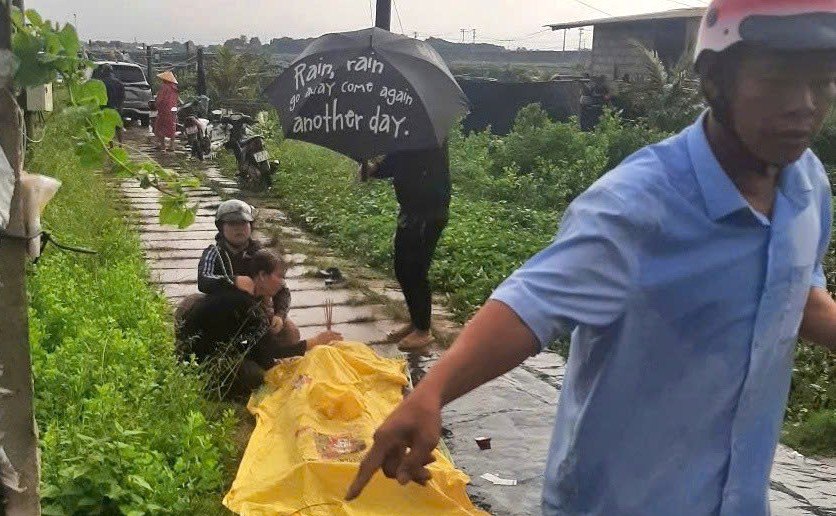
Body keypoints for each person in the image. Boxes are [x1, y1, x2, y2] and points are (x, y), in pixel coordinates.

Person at [346, 2, 836, 514]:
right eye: (778, 80)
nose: (805, 105)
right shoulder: (639, 204)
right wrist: (433, 392)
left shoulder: (807, 186)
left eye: (823, 82)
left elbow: (800, 296)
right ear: (717, 80)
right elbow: (530, 303)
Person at [178, 248, 342, 400]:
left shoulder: (246, 296)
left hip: (203, 350)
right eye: (279, 276)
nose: (282, 283)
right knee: (261, 378)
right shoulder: (246, 305)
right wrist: (314, 342)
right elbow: (271, 351)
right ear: (262, 275)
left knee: (267, 361)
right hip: (200, 362)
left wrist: (279, 317)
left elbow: (259, 347)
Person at [360, 144, 450, 351]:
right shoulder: (406, 135)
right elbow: (397, 162)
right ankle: (416, 321)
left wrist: (379, 165)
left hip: (428, 213)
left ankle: (423, 331)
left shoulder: (428, 138)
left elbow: (408, 162)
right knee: (402, 269)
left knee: (415, 271)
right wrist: (372, 167)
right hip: (410, 212)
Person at [196, 199, 302, 348]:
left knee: (291, 333)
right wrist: (234, 281)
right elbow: (204, 280)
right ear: (221, 227)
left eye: (243, 223)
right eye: (232, 224)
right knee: (191, 305)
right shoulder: (214, 253)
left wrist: (280, 314)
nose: (239, 229)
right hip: (223, 311)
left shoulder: (261, 254)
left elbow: (282, 288)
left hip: (257, 311)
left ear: (250, 226)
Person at [97, 64, 125, 145]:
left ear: (103, 71)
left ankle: (111, 145)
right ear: (111, 71)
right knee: (118, 127)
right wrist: (120, 106)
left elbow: (99, 96)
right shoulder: (118, 82)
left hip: (105, 107)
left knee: (107, 127)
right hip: (117, 108)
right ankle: (121, 145)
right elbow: (122, 96)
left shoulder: (101, 83)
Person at [153, 70, 179, 152]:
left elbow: (160, 99)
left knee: (159, 127)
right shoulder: (174, 88)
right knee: (172, 127)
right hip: (172, 110)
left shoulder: (164, 87)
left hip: (164, 110)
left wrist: (157, 105)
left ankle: (162, 145)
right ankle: (171, 145)